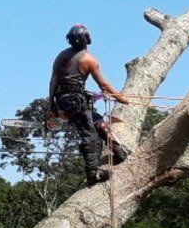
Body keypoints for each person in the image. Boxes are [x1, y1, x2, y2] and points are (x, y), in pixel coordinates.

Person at [48, 24, 130, 186]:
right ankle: (93, 173)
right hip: (75, 101)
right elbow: (104, 86)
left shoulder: (61, 56)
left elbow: (54, 81)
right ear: (86, 38)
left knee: (99, 122)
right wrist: (120, 98)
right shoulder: (88, 59)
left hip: (64, 99)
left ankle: (119, 152)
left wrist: (52, 104)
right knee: (90, 135)